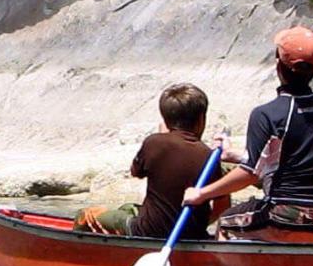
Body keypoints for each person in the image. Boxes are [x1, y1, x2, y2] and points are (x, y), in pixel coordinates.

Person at [183, 25, 313, 243]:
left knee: (226, 221)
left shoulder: (266, 114)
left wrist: (201, 194)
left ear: (278, 65)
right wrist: (237, 155)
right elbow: (292, 158)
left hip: (284, 221)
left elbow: (249, 174)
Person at [76, 83, 229, 240]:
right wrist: (198, 224)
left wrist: (163, 135)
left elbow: (135, 172)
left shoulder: (154, 143)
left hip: (147, 231)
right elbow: (222, 208)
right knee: (127, 208)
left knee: (84, 215)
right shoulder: (210, 157)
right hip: (191, 234)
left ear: (165, 120)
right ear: (201, 119)